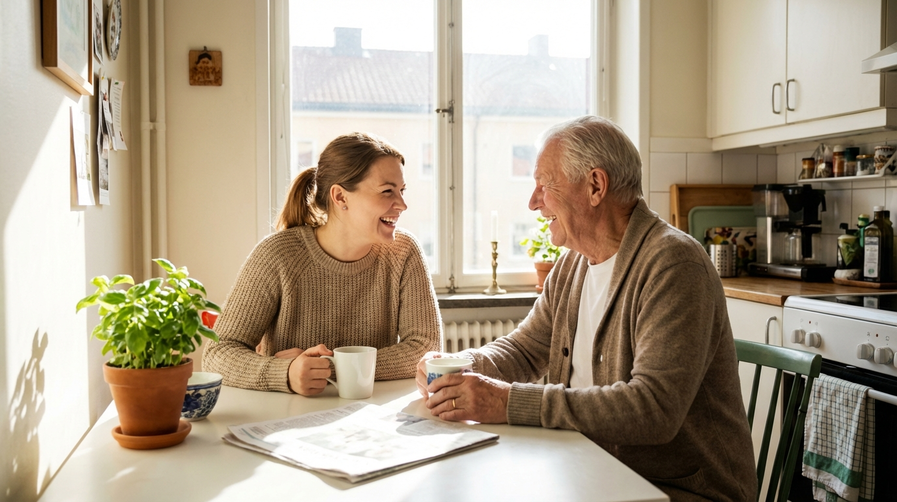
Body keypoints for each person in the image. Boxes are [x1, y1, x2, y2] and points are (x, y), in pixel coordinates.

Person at [416, 116, 756, 501]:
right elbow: (525, 348)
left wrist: (508, 401)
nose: (533, 201)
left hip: (676, 488)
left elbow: (653, 409)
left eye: (544, 184)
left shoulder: (674, 265)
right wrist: (463, 364)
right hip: (590, 464)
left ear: (595, 186)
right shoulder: (574, 263)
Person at [205, 132, 441, 395]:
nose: (402, 204)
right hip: (285, 418)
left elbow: (425, 347)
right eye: (387, 191)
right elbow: (218, 352)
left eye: (402, 190)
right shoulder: (276, 255)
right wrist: (285, 372)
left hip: (371, 417)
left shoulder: (404, 252)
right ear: (340, 197)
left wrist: (330, 368)